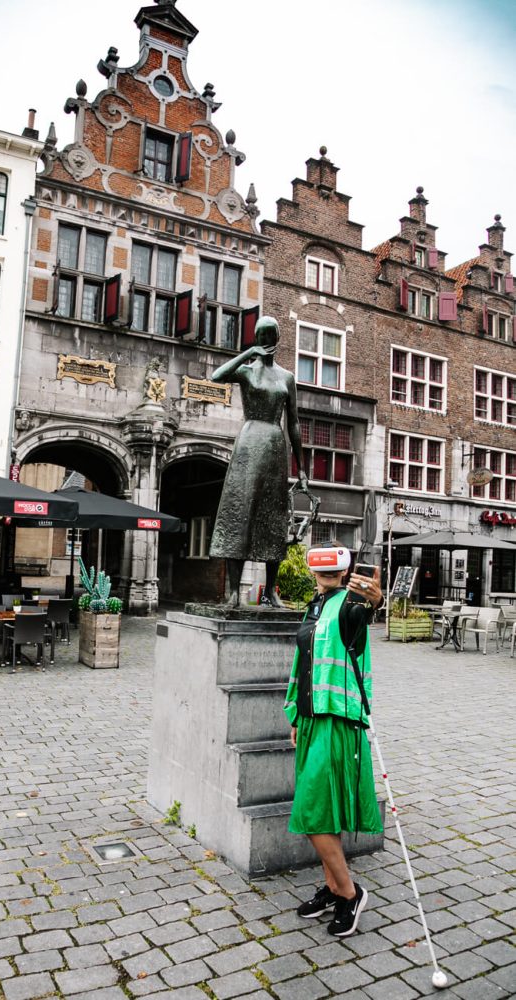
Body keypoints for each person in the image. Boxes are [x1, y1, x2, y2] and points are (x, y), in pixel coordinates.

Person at [283, 543, 384, 937]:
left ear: (344, 572)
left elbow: (361, 616)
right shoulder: (315, 605)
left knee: (311, 810)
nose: (325, 574)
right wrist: (297, 714)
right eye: (320, 568)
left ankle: (349, 893)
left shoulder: (347, 605)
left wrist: (372, 604)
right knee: (324, 810)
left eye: (332, 569)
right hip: (311, 718)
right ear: (313, 571)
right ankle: (330, 887)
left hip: (336, 720)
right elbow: (304, 663)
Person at [209, 316, 307, 606]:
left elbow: (295, 424)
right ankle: (234, 591)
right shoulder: (246, 371)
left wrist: (301, 467)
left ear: (276, 339)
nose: (266, 342)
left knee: (272, 518)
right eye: (260, 337)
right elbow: (217, 376)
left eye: (268, 337)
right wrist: (248, 353)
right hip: (250, 442)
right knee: (239, 513)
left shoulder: (287, 377)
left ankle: (270, 591)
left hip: (276, 444)